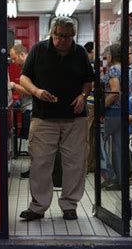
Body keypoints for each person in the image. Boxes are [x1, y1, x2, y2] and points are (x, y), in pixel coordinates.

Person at [18, 16, 94, 221]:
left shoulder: (79, 52)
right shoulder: (38, 49)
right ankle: (38, 206)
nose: (64, 40)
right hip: (44, 118)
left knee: (75, 163)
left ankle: (70, 205)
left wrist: (83, 96)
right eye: (60, 35)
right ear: (53, 33)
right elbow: (23, 77)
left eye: (69, 37)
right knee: (41, 163)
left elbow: (88, 81)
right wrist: (36, 91)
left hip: (75, 119)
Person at [9, 44, 33, 178]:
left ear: (22, 55)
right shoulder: (27, 66)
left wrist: (14, 86)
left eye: (14, 58)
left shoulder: (29, 67)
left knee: (33, 141)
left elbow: (31, 91)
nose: (13, 62)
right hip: (27, 107)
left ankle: (34, 169)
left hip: (31, 108)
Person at [101, 43, 122, 191]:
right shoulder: (125, 68)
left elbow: (115, 92)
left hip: (113, 112)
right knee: (118, 147)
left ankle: (110, 175)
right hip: (122, 111)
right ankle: (120, 179)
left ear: (112, 55)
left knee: (101, 143)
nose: (105, 58)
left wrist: (101, 107)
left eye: (106, 55)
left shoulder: (114, 70)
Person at [83, 41, 96, 173]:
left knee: (85, 136)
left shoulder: (91, 65)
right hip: (92, 103)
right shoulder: (93, 65)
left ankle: (85, 166)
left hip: (90, 104)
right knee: (90, 136)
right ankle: (89, 165)